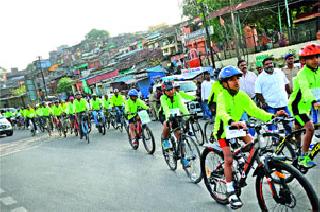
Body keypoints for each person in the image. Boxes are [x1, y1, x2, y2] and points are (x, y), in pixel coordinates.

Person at [214, 66, 286, 209]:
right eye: (232, 80)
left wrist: (272, 116)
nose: (236, 82)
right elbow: (221, 112)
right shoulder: (222, 96)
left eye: (237, 79)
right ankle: (230, 191)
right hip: (223, 130)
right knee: (228, 159)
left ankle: (243, 162)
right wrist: (231, 121)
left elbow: (254, 110)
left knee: (253, 146)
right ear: (224, 83)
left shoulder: (241, 95)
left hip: (238, 128)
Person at [288, 43, 320, 168]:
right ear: (304, 60)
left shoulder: (318, 71)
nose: (315, 60)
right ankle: (302, 157)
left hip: (310, 105)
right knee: (310, 128)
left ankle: (297, 146)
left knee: (299, 129)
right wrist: (313, 101)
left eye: (317, 57)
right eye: (311, 57)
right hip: (298, 106)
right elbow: (305, 90)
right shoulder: (302, 74)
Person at [160, 81, 190, 167]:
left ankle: (183, 157)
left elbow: (181, 106)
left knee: (180, 136)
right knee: (166, 125)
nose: (171, 92)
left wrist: (188, 116)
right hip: (165, 114)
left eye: (172, 89)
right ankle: (165, 139)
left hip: (176, 114)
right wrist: (168, 117)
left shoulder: (177, 95)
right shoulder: (163, 98)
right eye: (168, 90)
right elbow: (165, 108)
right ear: (164, 91)